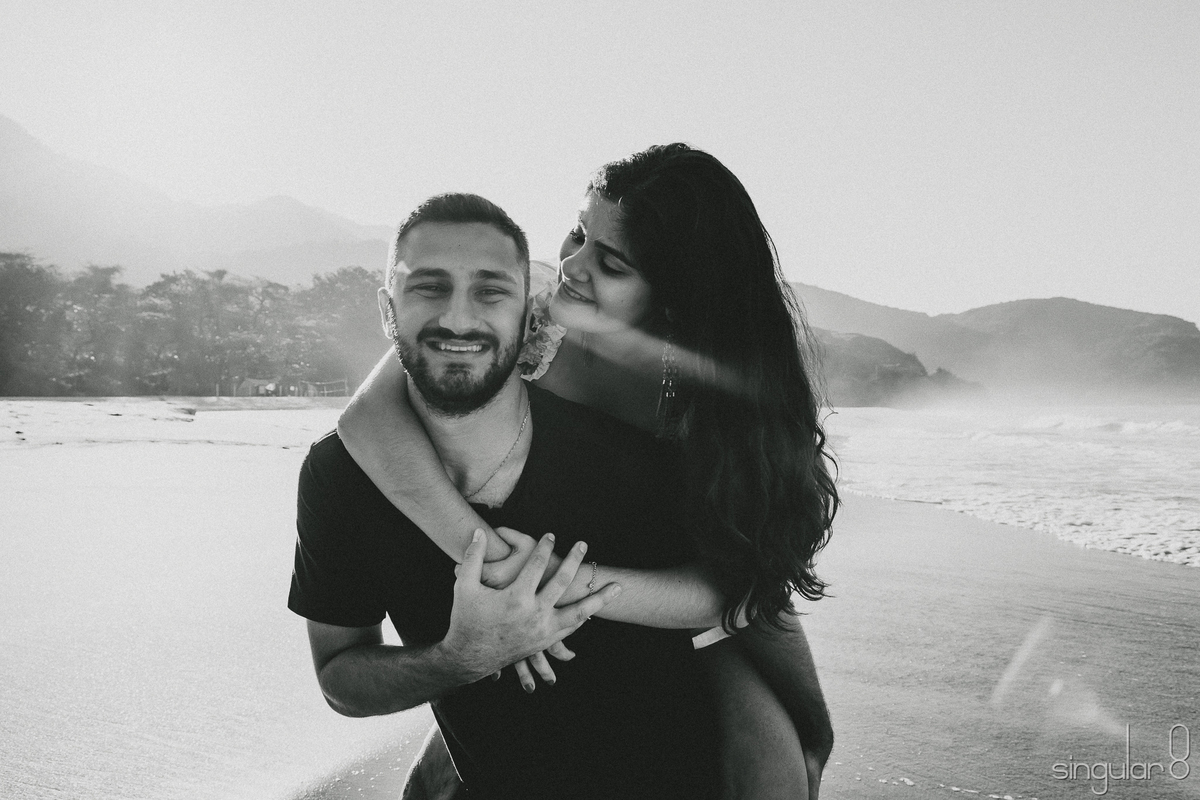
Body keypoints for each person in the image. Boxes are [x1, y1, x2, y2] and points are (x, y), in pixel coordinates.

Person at [339, 144, 838, 798]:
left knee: (791, 758)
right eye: (579, 232)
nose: (572, 263)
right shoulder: (533, 308)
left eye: (610, 261)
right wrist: (495, 558)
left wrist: (577, 586)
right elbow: (367, 423)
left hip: (706, 594)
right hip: (542, 569)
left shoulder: (715, 392)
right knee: (450, 778)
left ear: (677, 298)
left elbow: (733, 584)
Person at [290, 193, 724, 800]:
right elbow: (340, 678)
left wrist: (565, 587)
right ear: (388, 311)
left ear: (530, 317)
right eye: (429, 288)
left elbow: (731, 596)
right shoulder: (339, 478)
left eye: (491, 291)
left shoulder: (624, 458)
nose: (459, 319)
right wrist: (459, 659)